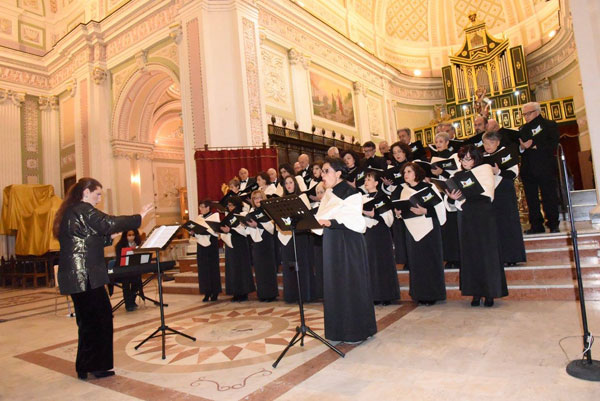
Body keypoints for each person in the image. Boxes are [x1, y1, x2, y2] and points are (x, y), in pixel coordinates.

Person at [53, 177, 149, 380]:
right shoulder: (83, 208)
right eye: (97, 195)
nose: (98, 200)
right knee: (101, 319)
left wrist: (109, 238)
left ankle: (84, 365)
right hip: (85, 274)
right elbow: (108, 222)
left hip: (76, 275)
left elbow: (86, 237)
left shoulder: (71, 211)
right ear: (85, 192)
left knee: (87, 322)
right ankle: (98, 366)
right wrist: (137, 218)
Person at [316, 157, 377, 343]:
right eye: (322, 171)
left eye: (326, 171)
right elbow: (321, 216)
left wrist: (330, 222)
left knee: (351, 282)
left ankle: (355, 330)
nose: (322, 175)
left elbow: (355, 221)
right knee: (334, 284)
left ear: (338, 173)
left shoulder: (351, 192)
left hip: (348, 243)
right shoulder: (328, 194)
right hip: (332, 241)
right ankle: (337, 331)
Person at [446, 145, 508, 307]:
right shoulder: (457, 175)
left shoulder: (485, 169)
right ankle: (475, 293)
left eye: (468, 158)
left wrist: (466, 196)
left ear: (476, 158)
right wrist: (452, 198)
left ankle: (490, 293)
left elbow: (488, 193)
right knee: (470, 255)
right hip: (466, 217)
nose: (464, 162)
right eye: (462, 159)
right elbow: (451, 204)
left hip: (483, 216)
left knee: (487, 255)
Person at [398, 163, 447, 305]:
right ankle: (419, 294)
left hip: (429, 229)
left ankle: (432, 294)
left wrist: (425, 211)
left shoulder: (429, 188)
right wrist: (399, 212)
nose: (406, 174)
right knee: (416, 264)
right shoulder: (404, 191)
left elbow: (440, 208)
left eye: (409, 171)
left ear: (416, 173)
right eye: (404, 172)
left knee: (430, 262)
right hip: (412, 231)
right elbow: (404, 209)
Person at [482, 131, 526, 266]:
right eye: (485, 143)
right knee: (494, 225)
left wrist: (498, 171)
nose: (487, 146)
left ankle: (512, 256)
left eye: (491, 143)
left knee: (508, 224)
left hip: (504, 192)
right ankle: (498, 257)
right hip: (490, 193)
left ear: (498, 142)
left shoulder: (507, 153)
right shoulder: (483, 157)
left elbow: (513, 173)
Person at [519, 101, 561, 234]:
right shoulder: (522, 129)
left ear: (537, 112)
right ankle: (536, 225)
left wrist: (534, 145)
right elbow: (519, 148)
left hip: (545, 166)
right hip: (528, 168)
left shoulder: (549, 125)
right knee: (531, 199)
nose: (526, 116)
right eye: (524, 114)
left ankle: (553, 223)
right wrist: (522, 147)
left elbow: (553, 143)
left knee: (549, 195)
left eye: (528, 113)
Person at [362, 171, 400, 305]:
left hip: (381, 232)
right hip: (367, 233)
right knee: (370, 263)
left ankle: (386, 295)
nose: (366, 182)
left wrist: (374, 215)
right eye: (365, 179)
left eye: (369, 179)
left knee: (383, 263)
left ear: (377, 183)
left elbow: (389, 218)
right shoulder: (361, 198)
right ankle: (373, 296)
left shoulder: (383, 197)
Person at [278, 175, 313, 303]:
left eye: (291, 182)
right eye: (286, 183)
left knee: (301, 264)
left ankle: (304, 295)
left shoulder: (302, 197)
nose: (288, 185)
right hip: (287, 235)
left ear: (295, 184)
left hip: (300, 235)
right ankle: (291, 295)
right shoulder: (281, 200)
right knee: (290, 265)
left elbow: (307, 216)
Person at [429, 132, 461, 270]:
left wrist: (441, 172)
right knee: (444, 226)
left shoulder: (454, 156)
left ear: (448, 142)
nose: (438, 144)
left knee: (453, 226)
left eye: (441, 141)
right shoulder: (434, 158)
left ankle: (457, 256)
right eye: (436, 141)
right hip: (440, 193)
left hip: (452, 193)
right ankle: (448, 257)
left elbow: (457, 174)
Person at [245, 190, 279, 302]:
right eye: (255, 198)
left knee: (268, 268)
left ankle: (271, 294)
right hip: (256, 243)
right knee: (259, 269)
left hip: (267, 241)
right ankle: (262, 294)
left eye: (259, 198)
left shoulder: (268, 210)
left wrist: (257, 224)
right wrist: (249, 225)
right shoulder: (252, 212)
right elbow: (248, 231)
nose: (258, 200)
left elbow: (271, 227)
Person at [220, 196, 255, 302]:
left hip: (240, 243)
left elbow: (244, 230)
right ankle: (235, 292)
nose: (229, 207)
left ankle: (244, 292)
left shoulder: (243, 214)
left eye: (231, 205)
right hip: (230, 243)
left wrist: (230, 230)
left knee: (241, 268)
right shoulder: (228, 216)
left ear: (237, 205)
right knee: (232, 268)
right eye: (228, 205)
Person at [383, 142, 412, 266]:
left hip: (410, 197)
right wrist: (387, 184)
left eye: (399, 151)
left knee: (410, 229)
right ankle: (403, 259)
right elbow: (388, 190)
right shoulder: (391, 169)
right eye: (394, 153)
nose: (397, 155)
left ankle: (412, 258)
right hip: (396, 198)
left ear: (405, 152)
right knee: (399, 230)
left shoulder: (413, 165)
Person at [191, 200, 221, 302]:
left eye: (203, 207)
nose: (201, 209)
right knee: (203, 269)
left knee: (212, 268)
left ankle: (215, 292)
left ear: (208, 207)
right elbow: (197, 230)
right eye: (200, 207)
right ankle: (206, 292)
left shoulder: (214, 216)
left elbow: (214, 230)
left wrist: (203, 230)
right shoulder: (199, 218)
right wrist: (193, 232)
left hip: (211, 244)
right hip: (201, 245)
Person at [114, 229, 143, 311]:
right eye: (129, 235)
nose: (131, 237)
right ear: (125, 236)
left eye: (133, 235)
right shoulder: (120, 245)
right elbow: (120, 260)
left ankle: (132, 301)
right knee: (126, 283)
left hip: (134, 270)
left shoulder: (138, 244)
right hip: (123, 270)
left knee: (137, 281)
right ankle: (128, 303)